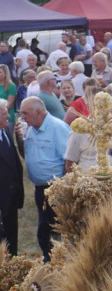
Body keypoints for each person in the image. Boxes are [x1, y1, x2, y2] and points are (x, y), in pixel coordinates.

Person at [19, 97, 71, 260]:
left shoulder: (58, 127)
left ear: (39, 112)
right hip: (40, 188)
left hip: (55, 186)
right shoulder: (30, 128)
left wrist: (63, 186)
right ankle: (51, 258)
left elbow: (69, 159)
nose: (23, 118)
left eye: (25, 113)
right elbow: (26, 154)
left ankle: (56, 259)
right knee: (45, 225)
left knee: (51, 227)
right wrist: (20, 139)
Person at [0, 100, 23, 255]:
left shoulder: (5, 131)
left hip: (11, 197)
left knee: (11, 236)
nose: (8, 116)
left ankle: (13, 266)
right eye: (4, 114)